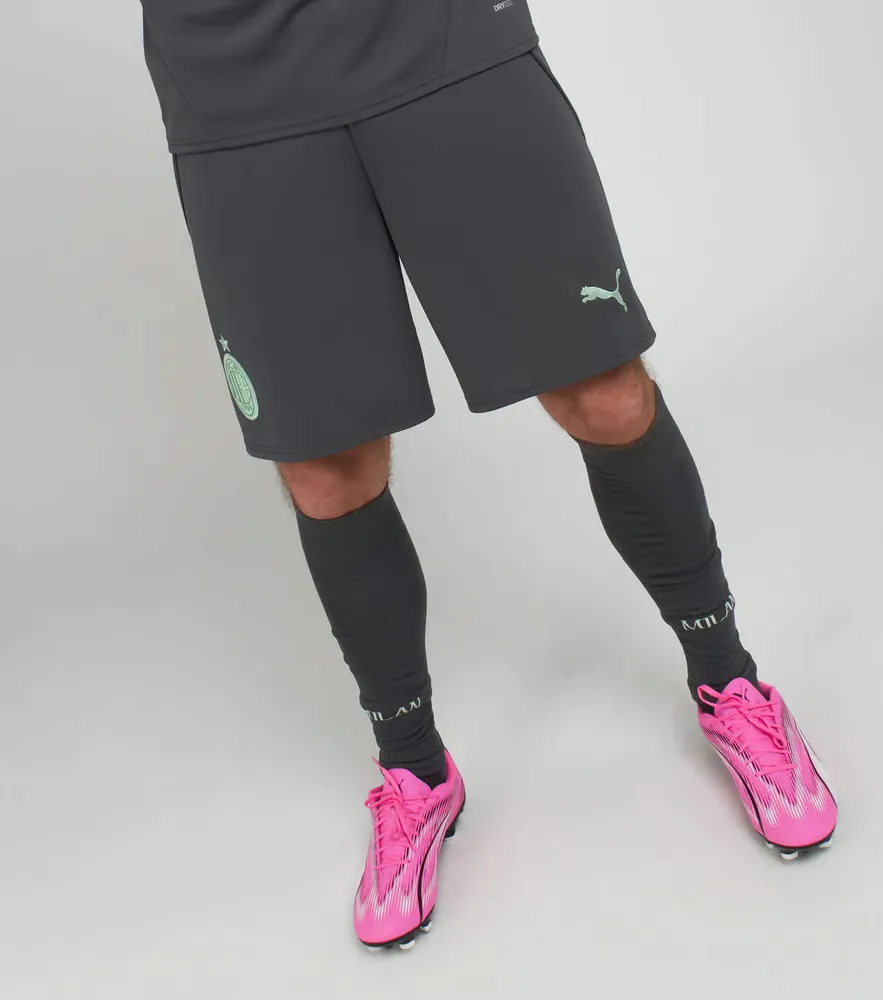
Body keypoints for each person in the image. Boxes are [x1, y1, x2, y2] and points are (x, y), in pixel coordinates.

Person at [140, 0, 837, 952]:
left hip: (439, 36)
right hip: (235, 78)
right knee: (326, 462)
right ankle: (414, 769)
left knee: (602, 390)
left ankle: (729, 682)